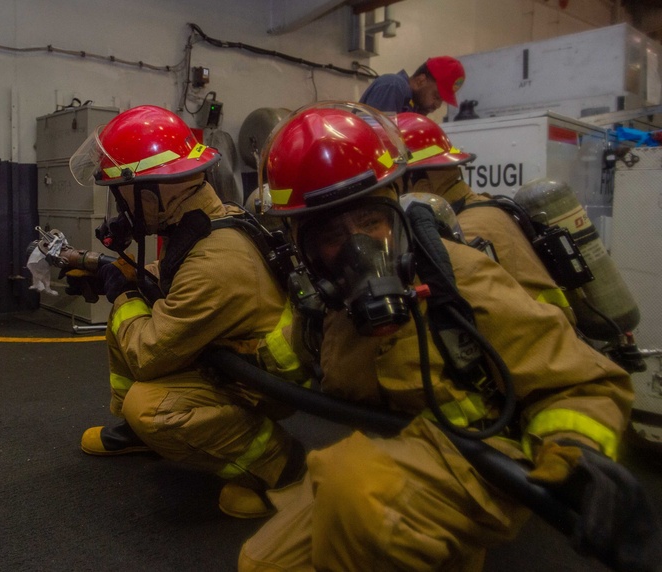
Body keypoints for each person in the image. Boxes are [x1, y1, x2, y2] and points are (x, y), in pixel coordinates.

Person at [237, 104, 657, 571]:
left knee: (354, 484)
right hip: (399, 454)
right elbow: (284, 358)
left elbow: (581, 381)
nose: (359, 249)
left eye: (372, 222)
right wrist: (231, 358)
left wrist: (576, 453)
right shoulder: (325, 308)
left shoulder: (459, 279)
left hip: (483, 457)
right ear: (302, 244)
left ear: (397, 207)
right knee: (263, 561)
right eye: (332, 234)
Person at [67, 105, 310, 519]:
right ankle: (133, 430)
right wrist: (113, 270)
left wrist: (123, 294)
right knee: (132, 310)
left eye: (122, 192)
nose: (120, 206)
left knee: (150, 405)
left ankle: (282, 465)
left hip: (260, 384)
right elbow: (170, 276)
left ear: (154, 191)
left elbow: (147, 353)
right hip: (230, 359)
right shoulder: (206, 221)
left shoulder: (215, 262)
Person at [394, 112, 575, 322]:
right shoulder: (486, 208)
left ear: (422, 189)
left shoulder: (460, 235)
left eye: (394, 189)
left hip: (538, 344)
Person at [359, 56, 464, 115]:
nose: (437, 105)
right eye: (436, 97)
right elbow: (377, 138)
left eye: (441, 101)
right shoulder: (393, 85)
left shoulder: (414, 106)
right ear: (421, 81)